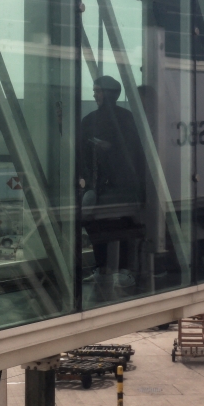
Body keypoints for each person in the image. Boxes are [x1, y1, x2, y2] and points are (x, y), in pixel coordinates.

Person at [78, 75, 145, 297]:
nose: (94, 94)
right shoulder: (125, 119)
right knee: (103, 226)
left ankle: (113, 269)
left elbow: (134, 153)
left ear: (109, 94)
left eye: (98, 90)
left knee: (116, 226)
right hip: (106, 184)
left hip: (114, 184)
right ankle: (107, 268)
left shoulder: (100, 120)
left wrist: (110, 149)